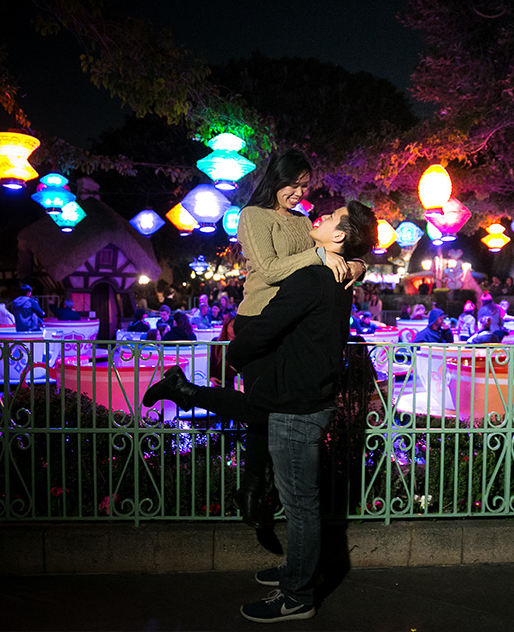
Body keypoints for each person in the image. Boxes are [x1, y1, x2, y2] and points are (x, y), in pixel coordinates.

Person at [141, 201, 378, 622]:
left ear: (339, 236)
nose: (318, 217)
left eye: (330, 217)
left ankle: (297, 595)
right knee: (300, 500)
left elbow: (265, 327)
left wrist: (237, 353)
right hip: (307, 398)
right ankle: (296, 572)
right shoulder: (341, 279)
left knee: (300, 504)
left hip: (297, 405)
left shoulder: (313, 278)